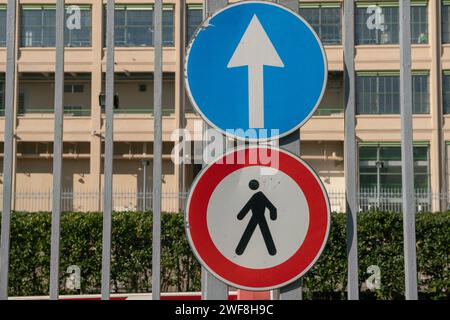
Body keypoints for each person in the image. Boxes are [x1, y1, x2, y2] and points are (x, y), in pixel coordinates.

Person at [235, 179, 277, 256]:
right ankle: (272, 251)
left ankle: (239, 251)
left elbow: (247, 207)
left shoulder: (255, 197)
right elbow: (272, 208)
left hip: (256, 217)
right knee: (265, 233)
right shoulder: (261, 196)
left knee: (248, 233)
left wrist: (240, 216)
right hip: (260, 217)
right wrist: (273, 217)